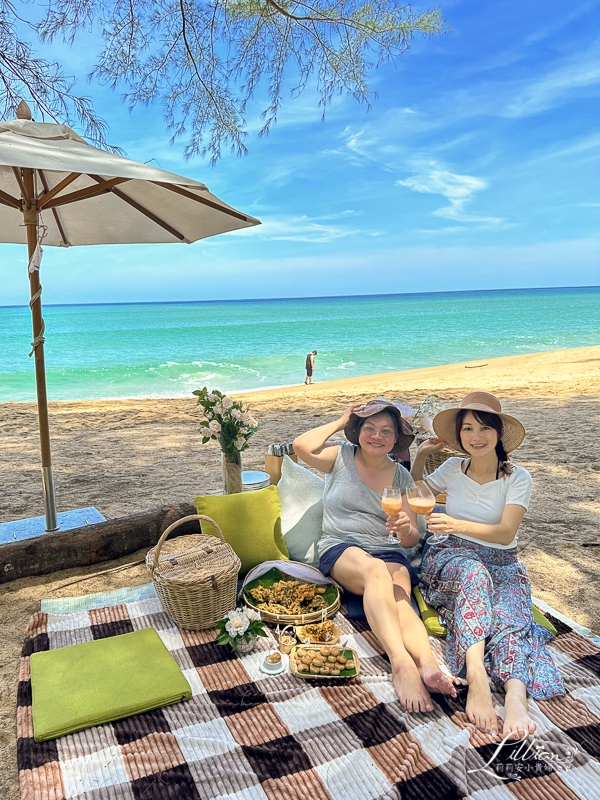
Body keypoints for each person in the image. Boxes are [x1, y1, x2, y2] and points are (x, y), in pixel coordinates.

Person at [412, 392, 565, 740]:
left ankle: (514, 695)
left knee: (509, 616)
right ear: (459, 435)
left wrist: (454, 522)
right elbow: (417, 491)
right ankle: (477, 676)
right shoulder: (452, 468)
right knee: (473, 575)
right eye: (467, 428)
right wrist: (421, 456)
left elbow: (505, 532)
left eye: (484, 428)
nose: (475, 436)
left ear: (498, 433)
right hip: (451, 555)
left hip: (502, 560)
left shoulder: (518, 477)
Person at [294, 400, 458, 712]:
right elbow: (302, 446)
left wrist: (405, 525)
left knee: (401, 600)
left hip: (389, 548)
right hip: (342, 547)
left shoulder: (401, 476)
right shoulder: (340, 456)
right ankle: (401, 665)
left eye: (386, 431)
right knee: (376, 572)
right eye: (369, 428)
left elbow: (409, 541)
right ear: (357, 432)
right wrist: (342, 421)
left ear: (396, 439)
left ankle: (427, 665)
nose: (376, 436)